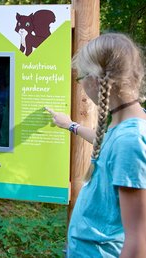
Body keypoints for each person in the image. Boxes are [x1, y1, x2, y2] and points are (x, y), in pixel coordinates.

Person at [53, 33, 146, 257]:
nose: (82, 83)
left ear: (95, 79)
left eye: (81, 77)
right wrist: (71, 125)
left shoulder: (130, 141)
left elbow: (138, 240)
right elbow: (105, 141)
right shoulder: (125, 127)